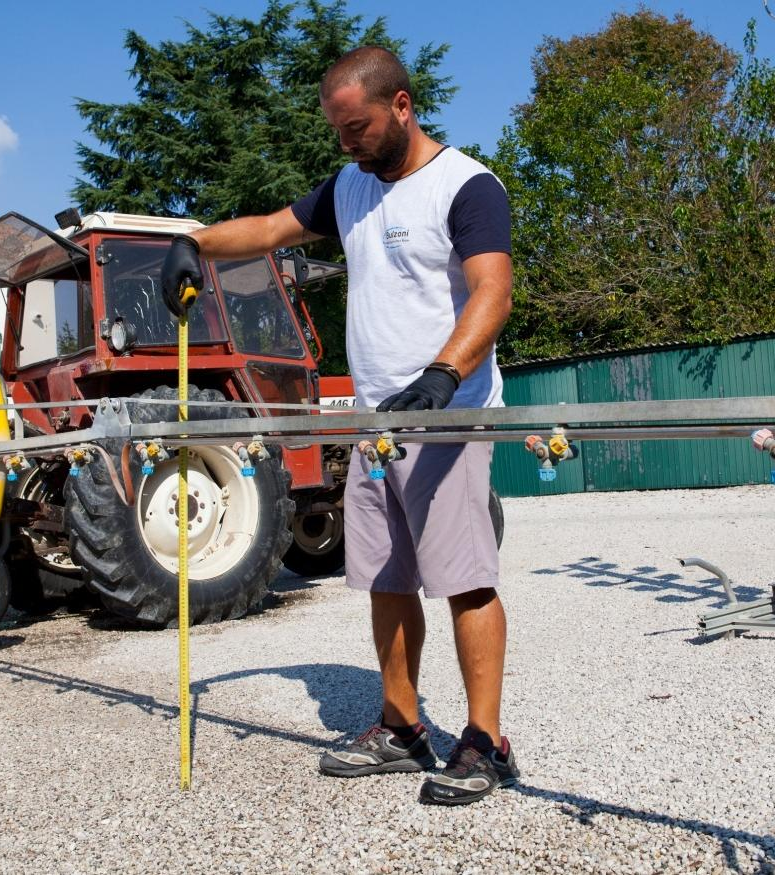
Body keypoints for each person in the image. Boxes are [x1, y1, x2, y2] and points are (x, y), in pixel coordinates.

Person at [161, 45, 515, 806]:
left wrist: (445, 371)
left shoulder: (467, 186)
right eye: (337, 130)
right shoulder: (350, 189)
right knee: (386, 578)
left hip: (446, 414)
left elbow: (493, 292)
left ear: (402, 107)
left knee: (465, 580)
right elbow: (264, 229)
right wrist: (191, 244)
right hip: (376, 424)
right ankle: (403, 725)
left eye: (356, 127)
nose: (346, 143)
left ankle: (485, 740)